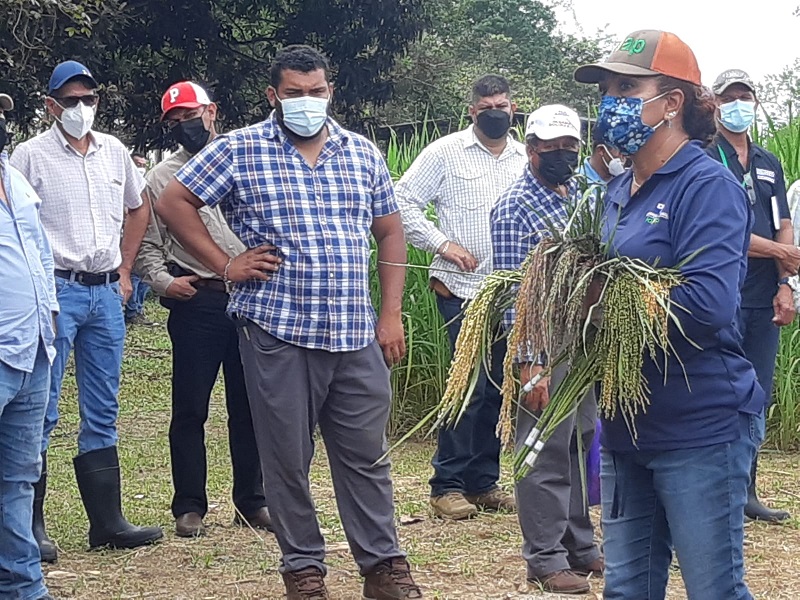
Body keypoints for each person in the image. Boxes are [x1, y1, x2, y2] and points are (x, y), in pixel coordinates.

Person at [156, 45, 422, 600]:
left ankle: (383, 565)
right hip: (276, 328)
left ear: (331, 92)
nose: (308, 102)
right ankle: (303, 567)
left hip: (353, 330)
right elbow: (175, 202)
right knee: (285, 456)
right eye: (295, 93)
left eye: (317, 92)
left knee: (366, 454)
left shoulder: (361, 153)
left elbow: (391, 231)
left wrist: (391, 313)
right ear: (274, 96)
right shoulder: (240, 149)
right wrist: (224, 264)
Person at [574, 30, 763, 599]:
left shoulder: (708, 187)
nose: (612, 103)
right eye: (607, 90)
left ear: (672, 102)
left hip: (699, 427)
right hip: (628, 422)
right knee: (627, 589)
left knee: (713, 589)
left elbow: (707, 307)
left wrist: (598, 301)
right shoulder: (616, 189)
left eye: (628, 89)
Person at [10, 60, 163, 559]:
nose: (81, 108)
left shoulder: (114, 151)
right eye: (71, 100)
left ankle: (107, 521)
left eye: (89, 99)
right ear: (51, 104)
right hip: (57, 289)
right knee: (43, 407)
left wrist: (125, 271)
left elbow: (138, 206)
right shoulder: (29, 156)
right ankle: (30, 524)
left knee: (103, 406)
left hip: (105, 292)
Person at [135, 81, 271, 538]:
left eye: (190, 114)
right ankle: (189, 505)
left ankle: (252, 501)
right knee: (190, 407)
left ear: (212, 111)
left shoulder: (248, 159)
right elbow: (146, 244)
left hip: (253, 299)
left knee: (250, 405)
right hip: (201, 299)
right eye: (174, 121)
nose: (184, 125)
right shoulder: (159, 178)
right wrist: (164, 282)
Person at [395, 74, 524, 520]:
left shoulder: (525, 157)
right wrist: (442, 244)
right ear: (473, 111)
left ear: (513, 108)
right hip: (462, 289)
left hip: (511, 293)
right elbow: (402, 200)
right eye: (487, 104)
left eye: (503, 104)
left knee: (496, 390)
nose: (496, 111)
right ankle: (446, 485)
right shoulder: (445, 152)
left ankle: (483, 483)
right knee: (465, 388)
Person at [490, 104, 602, 595]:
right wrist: (530, 363)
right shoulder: (514, 207)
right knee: (544, 449)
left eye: (569, 146)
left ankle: (580, 544)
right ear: (531, 147)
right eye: (550, 147)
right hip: (544, 340)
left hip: (583, 337)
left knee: (579, 440)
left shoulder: (581, 194)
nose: (560, 154)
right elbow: (521, 294)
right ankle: (545, 557)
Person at [708, 68, 796, 522]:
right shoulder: (704, 156)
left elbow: (782, 220)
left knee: (755, 394)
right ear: (714, 103)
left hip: (764, 297)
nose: (738, 104)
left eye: (745, 96)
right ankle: (713, 491)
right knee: (717, 391)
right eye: (729, 97)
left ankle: (747, 489)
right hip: (719, 294)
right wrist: (784, 251)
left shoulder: (767, 161)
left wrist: (785, 282)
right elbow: (721, 233)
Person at [0, 92, 56, 600]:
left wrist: (50, 320)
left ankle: (22, 587)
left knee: (17, 478)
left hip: (33, 348)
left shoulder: (14, 180)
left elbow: (37, 253)